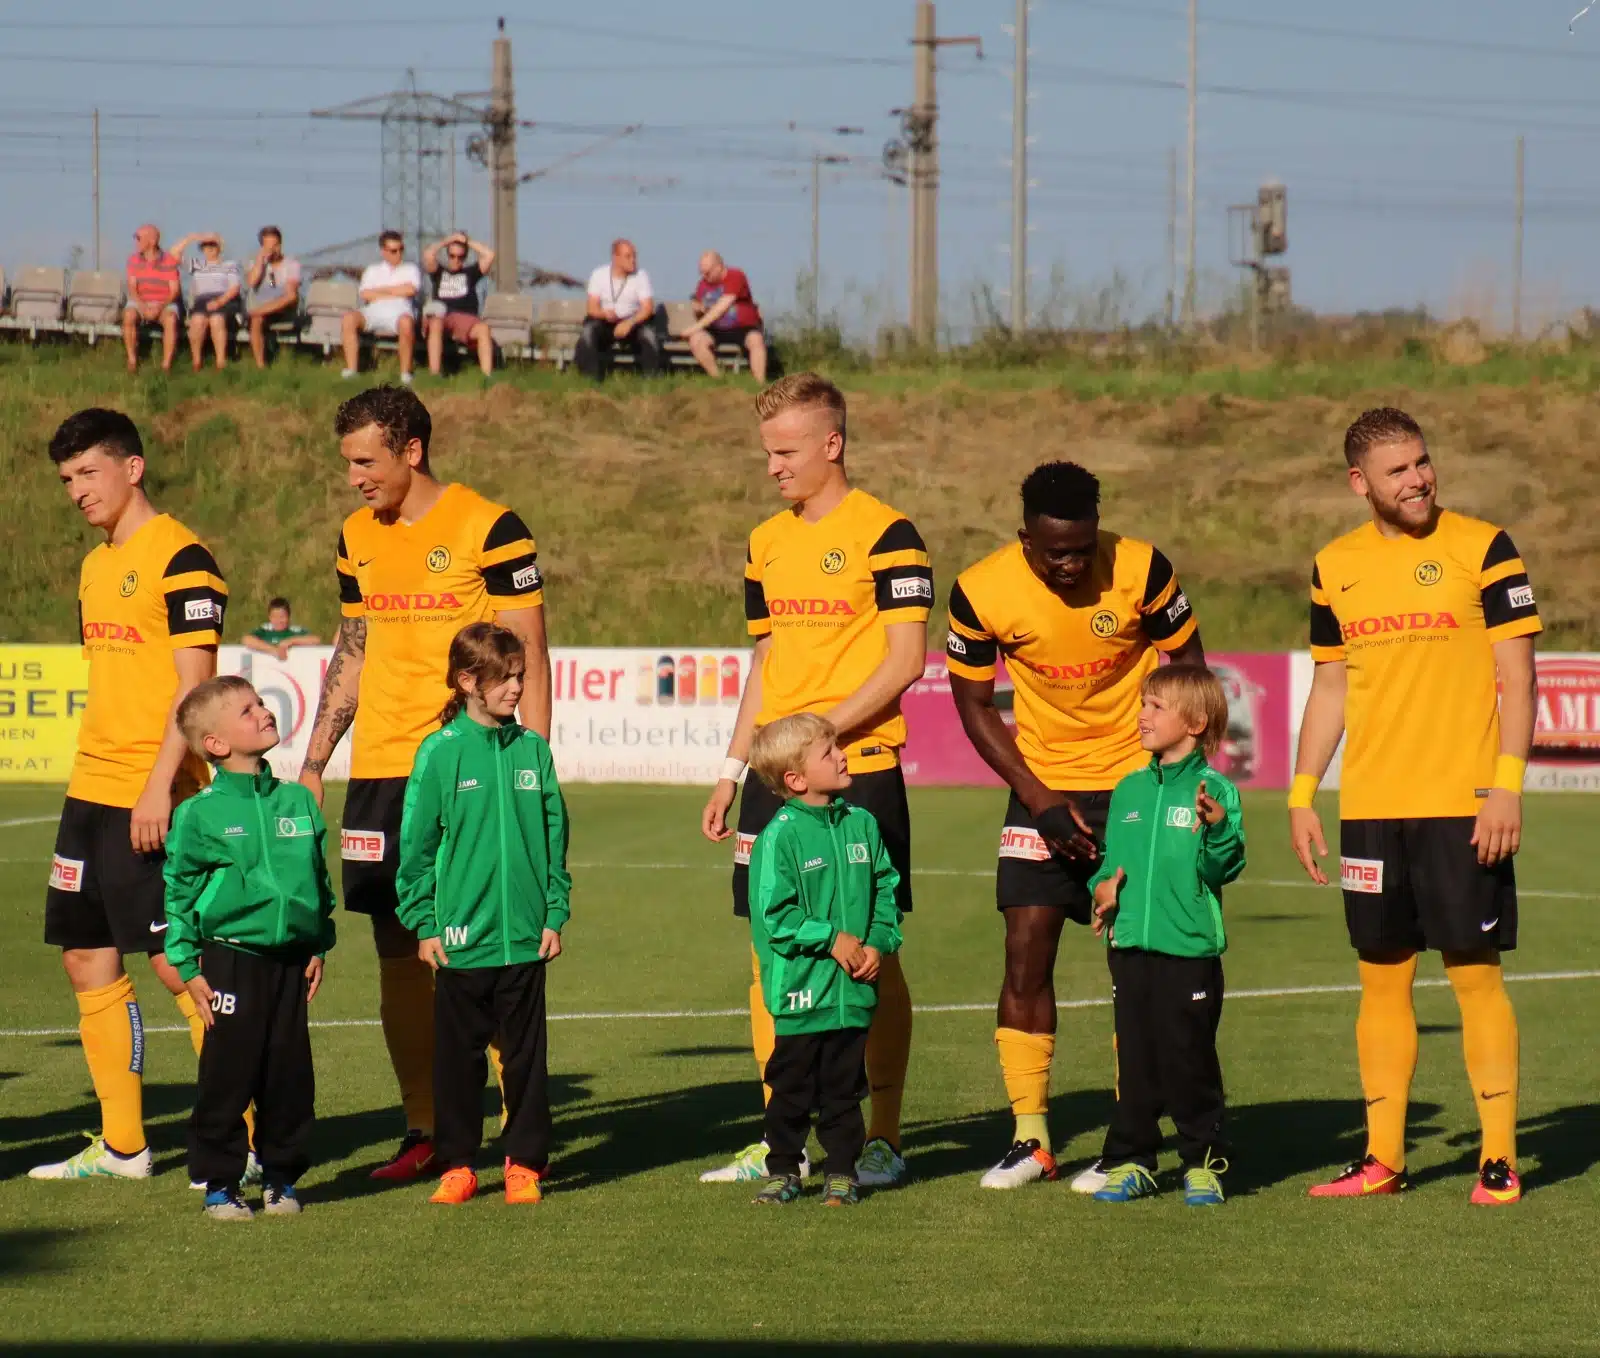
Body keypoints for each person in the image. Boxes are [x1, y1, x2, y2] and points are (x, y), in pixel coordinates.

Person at [297, 385, 550, 1183]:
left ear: (411, 450)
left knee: (490, 949)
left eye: (366, 461)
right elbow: (354, 648)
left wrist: (532, 763)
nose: (354, 478)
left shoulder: (490, 527)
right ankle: (428, 1129)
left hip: (470, 764)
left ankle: (517, 1137)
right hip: (379, 766)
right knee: (396, 943)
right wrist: (315, 762)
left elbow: (529, 651)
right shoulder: (356, 537)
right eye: (347, 463)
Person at [1290, 407, 1540, 1207]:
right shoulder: (1334, 565)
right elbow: (1331, 687)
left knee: (1474, 976)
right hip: (1371, 809)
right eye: (1397, 470)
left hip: (1464, 805)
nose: (1418, 479)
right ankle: (1383, 1158)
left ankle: (1498, 1159)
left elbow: (1519, 678)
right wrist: (1302, 793)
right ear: (1359, 483)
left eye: (1422, 462)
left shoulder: (1485, 548)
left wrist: (1506, 785)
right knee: (1381, 980)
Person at [946, 460, 1205, 1194]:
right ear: (1025, 538)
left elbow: (1188, 664)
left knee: (1140, 967)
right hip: (1042, 788)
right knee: (1024, 953)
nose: (1071, 564)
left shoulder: (1142, 569)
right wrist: (1039, 797)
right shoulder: (981, 590)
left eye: (1083, 549)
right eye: (1055, 552)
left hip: (1136, 787)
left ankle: (1132, 1141)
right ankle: (1031, 1140)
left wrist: (1176, 774)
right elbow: (972, 705)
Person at [700, 372, 929, 1189]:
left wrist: (817, 737)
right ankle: (784, 1141)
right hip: (774, 779)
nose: (773, 467)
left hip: (857, 772)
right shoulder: (765, 541)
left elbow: (907, 660)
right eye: (767, 453)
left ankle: (882, 1138)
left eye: (787, 452)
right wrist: (732, 770)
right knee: (771, 952)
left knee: (875, 954)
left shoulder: (889, 535)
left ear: (832, 444)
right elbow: (765, 662)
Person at [31, 408, 228, 1181]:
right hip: (90, 791)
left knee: (178, 965)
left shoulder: (183, 559)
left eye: (89, 472)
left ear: (132, 467)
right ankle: (124, 1147)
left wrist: (158, 788)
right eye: (66, 479)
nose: (77, 490)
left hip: (154, 792)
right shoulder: (94, 566)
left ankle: (240, 1142)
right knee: (85, 957)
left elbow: (195, 689)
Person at [397, 623, 570, 1207]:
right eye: (506, 678)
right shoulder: (440, 752)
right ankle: (459, 1165)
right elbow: (417, 846)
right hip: (460, 938)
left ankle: (524, 1163)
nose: (517, 687)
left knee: (525, 1061)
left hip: (525, 936)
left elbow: (555, 837)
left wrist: (554, 912)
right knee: (458, 1062)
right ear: (468, 681)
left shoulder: (533, 750)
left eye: (520, 675)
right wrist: (424, 922)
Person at [163, 676, 336, 1221]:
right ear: (215, 744)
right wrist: (187, 964)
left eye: (261, 703)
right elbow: (178, 893)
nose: (263, 712)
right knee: (228, 1073)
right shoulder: (199, 813)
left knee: (289, 1075)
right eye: (247, 710)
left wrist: (318, 944)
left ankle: (281, 1178)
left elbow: (317, 881)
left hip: (290, 962)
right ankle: (220, 1183)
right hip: (230, 959)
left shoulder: (297, 801)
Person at [1086, 665, 1244, 1207]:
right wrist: (1102, 889)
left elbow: (1223, 868)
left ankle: (1204, 1162)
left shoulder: (1215, 790)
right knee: (1136, 1062)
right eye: (1143, 704)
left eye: (1156, 706)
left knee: (1188, 1061)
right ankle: (1132, 1160)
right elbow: (1109, 864)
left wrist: (1217, 828)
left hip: (1188, 951)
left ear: (1196, 722)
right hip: (1129, 947)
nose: (1142, 715)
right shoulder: (1129, 790)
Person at [745, 714, 903, 1207]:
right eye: (828, 751)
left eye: (837, 746)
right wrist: (832, 939)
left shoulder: (862, 823)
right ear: (796, 779)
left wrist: (877, 942)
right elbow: (775, 915)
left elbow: (886, 891)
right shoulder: (780, 836)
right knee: (791, 1089)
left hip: (851, 991)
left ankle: (841, 1171)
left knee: (844, 1090)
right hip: (801, 990)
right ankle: (784, 1169)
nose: (842, 755)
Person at [575, 238, 663, 380]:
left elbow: (647, 308)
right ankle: (590, 379)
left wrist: (630, 322)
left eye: (634, 256)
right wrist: (604, 314)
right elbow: (592, 308)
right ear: (616, 258)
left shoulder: (641, 275)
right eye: (628, 256)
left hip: (632, 322)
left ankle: (651, 379)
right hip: (606, 321)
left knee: (648, 335)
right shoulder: (599, 274)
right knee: (588, 332)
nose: (633, 260)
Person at [342, 231, 421, 384]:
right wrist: (396, 290)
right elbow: (365, 294)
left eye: (401, 249)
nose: (398, 254)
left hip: (400, 312)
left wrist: (381, 291)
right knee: (349, 319)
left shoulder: (411, 269)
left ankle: (405, 373)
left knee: (406, 323)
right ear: (383, 251)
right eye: (393, 251)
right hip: (373, 311)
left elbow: (411, 290)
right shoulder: (372, 270)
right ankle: (352, 370)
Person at [684, 251, 768, 382]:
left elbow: (723, 305)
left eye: (708, 273)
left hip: (743, 328)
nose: (704, 276)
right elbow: (701, 309)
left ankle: (759, 383)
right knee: (696, 340)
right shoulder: (703, 284)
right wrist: (698, 308)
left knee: (756, 340)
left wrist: (695, 327)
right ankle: (718, 379)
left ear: (719, 267)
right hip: (715, 329)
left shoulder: (735, 276)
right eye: (702, 273)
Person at [422, 232, 496, 378]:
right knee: (435, 323)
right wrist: (448, 240)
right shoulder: (439, 272)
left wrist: (467, 241)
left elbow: (489, 255)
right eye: (452, 256)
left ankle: (486, 377)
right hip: (443, 316)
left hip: (466, 319)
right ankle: (434, 375)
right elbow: (428, 254)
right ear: (447, 255)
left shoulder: (470, 273)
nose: (456, 260)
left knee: (484, 329)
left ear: (465, 257)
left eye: (460, 257)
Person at [172, 233, 242, 372]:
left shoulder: (229, 265)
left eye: (212, 245)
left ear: (220, 247)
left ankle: (220, 362)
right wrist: (191, 238)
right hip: (202, 300)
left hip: (223, 299)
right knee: (197, 321)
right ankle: (197, 361)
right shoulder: (197, 265)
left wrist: (219, 301)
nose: (209, 248)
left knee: (216, 320)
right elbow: (174, 254)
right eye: (205, 245)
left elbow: (234, 288)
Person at [121, 224, 181, 374]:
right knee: (128, 315)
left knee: (170, 319)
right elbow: (132, 288)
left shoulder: (169, 261)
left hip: (164, 302)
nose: (136, 242)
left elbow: (174, 291)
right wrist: (143, 307)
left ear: (152, 241)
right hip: (141, 300)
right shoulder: (133, 260)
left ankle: (166, 365)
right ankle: (132, 360)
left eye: (139, 238)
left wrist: (160, 307)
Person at [245, 226, 302, 370]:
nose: (273, 250)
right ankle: (260, 365)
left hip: (282, 309)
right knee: (256, 320)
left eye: (276, 245)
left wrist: (260, 310)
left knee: (258, 314)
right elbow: (251, 282)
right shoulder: (256, 263)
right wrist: (260, 261)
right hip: (261, 308)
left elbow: (290, 296)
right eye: (268, 246)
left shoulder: (291, 264)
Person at [242, 597, 321, 662]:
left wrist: (291, 641)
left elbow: (316, 640)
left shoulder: (294, 631)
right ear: (269, 617)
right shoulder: (265, 630)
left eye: (282, 617)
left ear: (288, 616)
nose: (278, 621)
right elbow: (247, 639)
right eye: (275, 617)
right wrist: (275, 651)